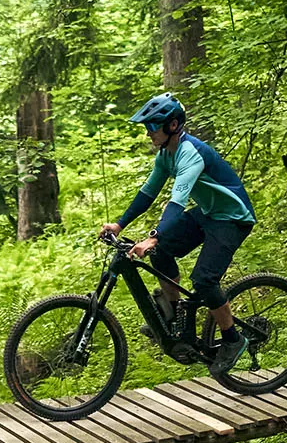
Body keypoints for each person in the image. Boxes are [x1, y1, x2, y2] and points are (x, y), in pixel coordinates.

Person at [101, 93, 257, 376]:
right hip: (209, 212)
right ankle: (174, 315)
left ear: (173, 125)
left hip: (232, 218)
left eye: (153, 127)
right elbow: (148, 193)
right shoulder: (166, 155)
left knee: (204, 279)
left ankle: (234, 340)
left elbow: (177, 202)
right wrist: (120, 225)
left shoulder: (190, 154)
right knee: (161, 253)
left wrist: (154, 235)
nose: (149, 133)